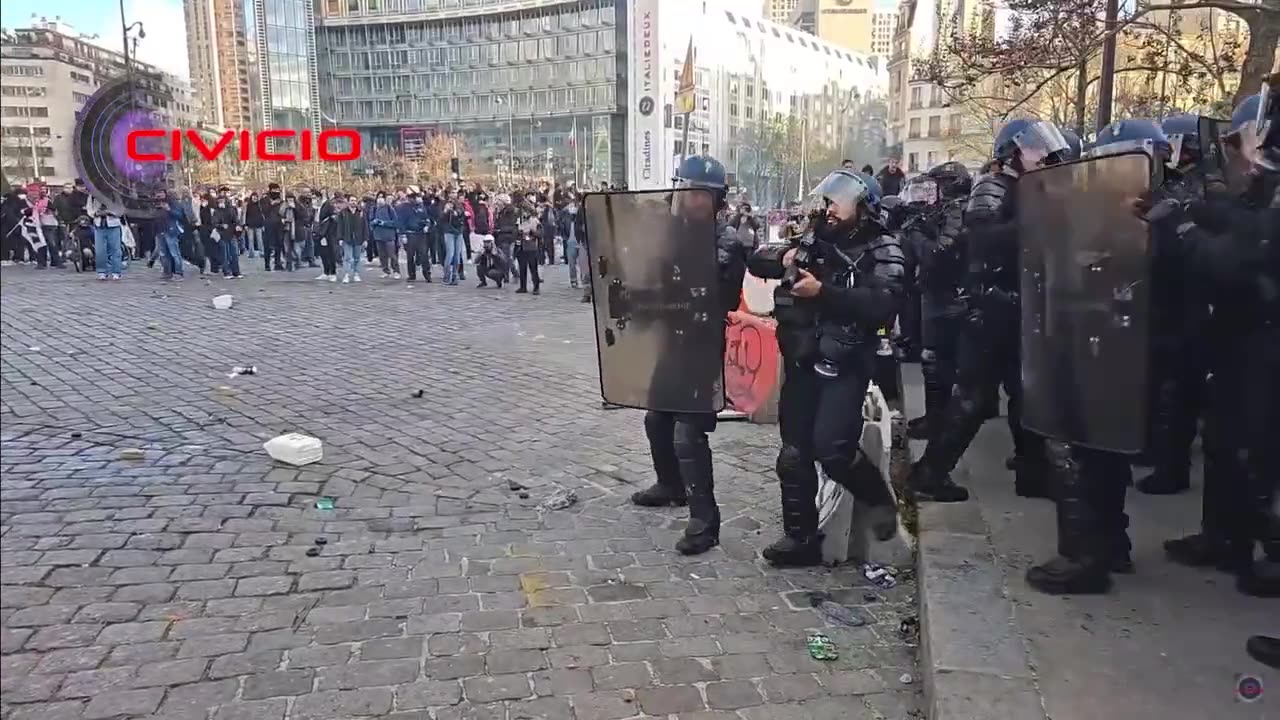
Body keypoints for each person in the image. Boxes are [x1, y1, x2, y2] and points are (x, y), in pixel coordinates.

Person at [907, 119, 1073, 504]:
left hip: (1018, 306)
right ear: (1011, 152)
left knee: (1026, 394)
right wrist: (1035, 222)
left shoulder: (1029, 188)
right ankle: (929, 473)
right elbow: (984, 238)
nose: (1043, 156)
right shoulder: (993, 186)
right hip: (990, 308)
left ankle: (1032, 474)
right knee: (973, 399)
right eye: (1034, 148)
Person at [745, 170, 905, 567]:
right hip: (802, 356)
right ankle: (800, 539)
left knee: (832, 450)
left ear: (863, 206)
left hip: (847, 362)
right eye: (828, 200)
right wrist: (781, 258)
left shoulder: (883, 248)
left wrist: (825, 292)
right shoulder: (814, 239)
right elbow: (758, 259)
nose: (829, 208)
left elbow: (882, 304)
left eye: (838, 201)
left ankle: (880, 502)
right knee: (794, 454)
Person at [1155, 89, 1278, 600]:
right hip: (1238, 338)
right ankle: (1224, 538)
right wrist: (1200, 208)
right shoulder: (1258, 190)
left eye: (1238, 141)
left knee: (1255, 451)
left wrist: (1184, 227)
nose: (1232, 152)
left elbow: (1235, 258)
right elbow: (1238, 220)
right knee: (1227, 442)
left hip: (1264, 342)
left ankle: (1263, 555)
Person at [628, 155, 747, 556]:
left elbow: (704, 286)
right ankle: (670, 485)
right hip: (673, 341)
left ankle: (704, 521)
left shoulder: (725, 240)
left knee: (689, 433)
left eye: (692, 192)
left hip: (700, 345)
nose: (683, 197)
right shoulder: (673, 232)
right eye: (681, 188)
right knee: (656, 418)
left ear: (712, 199)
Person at [907, 162, 972, 441]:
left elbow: (939, 253)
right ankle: (935, 417)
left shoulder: (958, 210)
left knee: (939, 362)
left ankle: (940, 422)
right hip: (938, 294)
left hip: (949, 297)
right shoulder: (945, 210)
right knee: (933, 361)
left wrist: (917, 236)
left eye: (938, 184)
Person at [87, 195, 124, 280]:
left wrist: (109, 212)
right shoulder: (93, 195)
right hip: (99, 225)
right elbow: (89, 208)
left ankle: (116, 271)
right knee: (100, 250)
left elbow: (121, 210)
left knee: (115, 249)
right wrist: (96, 213)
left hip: (113, 224)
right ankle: (102, 271)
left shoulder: (114, 195)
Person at [399, 192, 432, 284]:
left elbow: (427, 219)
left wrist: (427, 226)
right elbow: (401, 222)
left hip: (421, 234)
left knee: (424, 255)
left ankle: (427, 274)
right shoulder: (404, 208)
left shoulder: (421, 207)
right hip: (410, 234)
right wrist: (403, 235)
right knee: (410, 256)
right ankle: (412, 275)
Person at [369, 194, 401, 279]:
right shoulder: (374, 209)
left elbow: (395, 222)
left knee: (392, 254)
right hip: (378, 236)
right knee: (382, 255)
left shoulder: (390, 209)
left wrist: (384, 223)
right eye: (378, 199)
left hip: (389, 236)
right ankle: (385, 270)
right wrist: (374, 222)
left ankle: (396, 271)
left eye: (381, 199)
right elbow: (370, 221)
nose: (380, 201)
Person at [337, 195, 367, 283]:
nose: (353, 202)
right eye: (351, 200)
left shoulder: (361, 212)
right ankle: (346, 274)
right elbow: (340, 226)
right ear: (348, 202)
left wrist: (365, 239)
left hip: (358, 238)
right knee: (347, 258)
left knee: (357, 258)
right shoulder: (343, 212)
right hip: (347, 238)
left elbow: (365, 226)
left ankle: (356, 274)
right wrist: (340, 238)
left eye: (355, 200)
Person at [440, 195, 466, 286]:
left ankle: (455, 276)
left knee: (457, 255)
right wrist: (445, 211)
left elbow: (461, 216)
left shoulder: (460, 207)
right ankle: (447, 276)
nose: (451, 202)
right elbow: (442, 219)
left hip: (458, 232)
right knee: (450, 253)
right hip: (449, 232)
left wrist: (455, 212)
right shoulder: (445, 207)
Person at [242, 191, 264, 258]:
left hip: (259, 224)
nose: (254, 198)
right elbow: (245, 215)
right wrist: (244, 224)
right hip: (250, 225)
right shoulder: (247, 205)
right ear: (251, 197)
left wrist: (263, 224)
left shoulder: (260, 205)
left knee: (259, 239)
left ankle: (261, 252)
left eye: (256, 197)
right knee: (250, 239)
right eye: (253, 197)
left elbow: (262, 215)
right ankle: (251, 253)